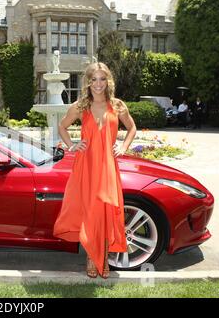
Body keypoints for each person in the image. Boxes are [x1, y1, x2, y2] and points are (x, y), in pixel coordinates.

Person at [53, 62, 136, 279]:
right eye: (94, 79)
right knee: (90, 210)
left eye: (102, 79)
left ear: (108, 81)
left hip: (108, 165)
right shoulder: (81, 106)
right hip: (87, 165)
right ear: (88, 82)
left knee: (106, 210)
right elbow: (61, 127)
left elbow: (132, 127)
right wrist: (72, 145)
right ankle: (92, 256)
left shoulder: (117, 106)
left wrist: (123, 145)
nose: (98, 84)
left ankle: (104, 256)